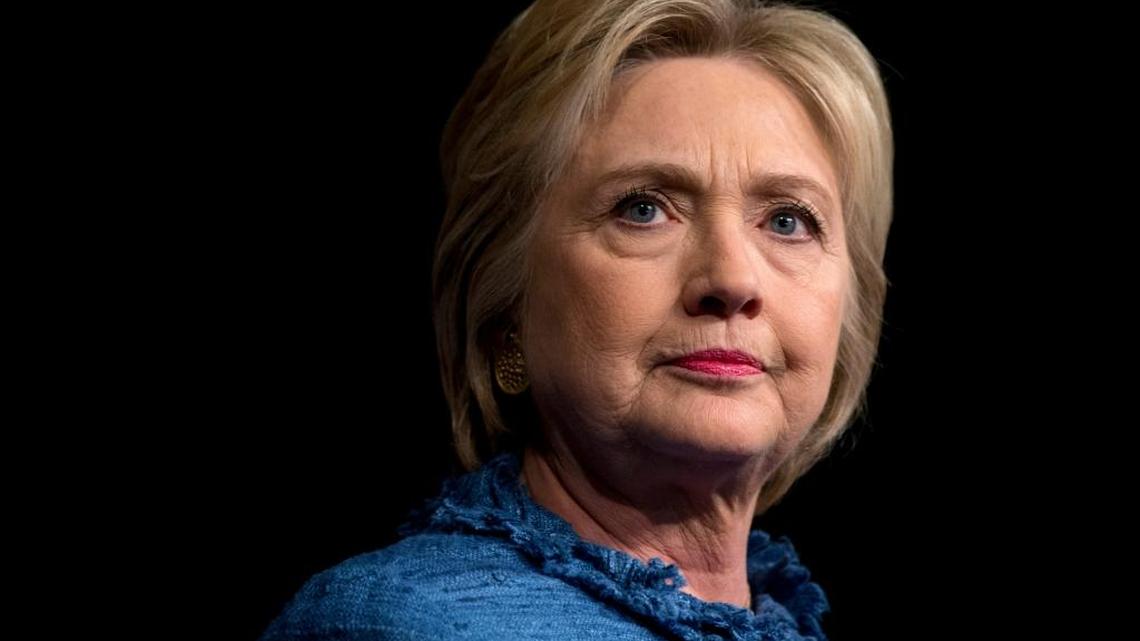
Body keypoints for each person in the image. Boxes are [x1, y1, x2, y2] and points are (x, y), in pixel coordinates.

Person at [259, 0, 893, 638]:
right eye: (643, 209)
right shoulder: (396, 624)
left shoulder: (781, 617)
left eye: (788, 220)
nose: (731, 280)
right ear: (505, 306)